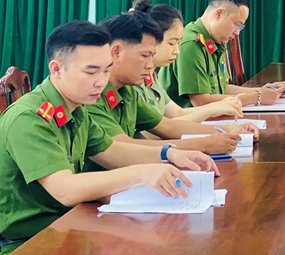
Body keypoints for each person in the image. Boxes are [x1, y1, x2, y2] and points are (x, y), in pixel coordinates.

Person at [0, 21, 218, 253]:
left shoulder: (76, 108)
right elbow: (65, 189)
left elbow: (111, 151)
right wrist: (141, 173)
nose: (101, 82)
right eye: (91, 72)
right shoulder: (30, 118)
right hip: (30, 241)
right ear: (56, 69)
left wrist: (170, 154)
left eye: (106, 70)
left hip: (70, 223)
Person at [85, 12, 258, 167]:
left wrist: (227, 130)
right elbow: (121, 147)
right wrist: (202, 144)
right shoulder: (92, 94)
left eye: (152, 56)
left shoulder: (126, 90)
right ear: (116, 53)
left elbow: (167, 126)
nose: (150, 65)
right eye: (144, 56)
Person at [158, 0, 285, 108]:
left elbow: (222, 88)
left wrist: (263, 91)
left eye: (240, 27)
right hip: (186, 121)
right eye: (236, 24)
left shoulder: (215, 40)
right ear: (219, 14)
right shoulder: (192, 43)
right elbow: (201, 101)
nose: (237, 32)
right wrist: (257, 97)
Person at [130, 0, 243, 123]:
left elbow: (177, 113)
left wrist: (216, 107)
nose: (177, 51)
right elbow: (160, 129)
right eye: (171, 43)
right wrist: (211, 110)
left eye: (178, 43)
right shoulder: (133, 81)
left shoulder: (152, 76)